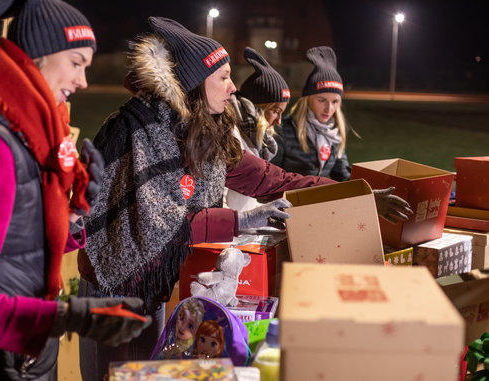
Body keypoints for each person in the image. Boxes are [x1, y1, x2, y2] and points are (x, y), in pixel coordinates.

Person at [79, 17, 411, 381]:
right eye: (222, 77)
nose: (233, 87)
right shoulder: (137, 132)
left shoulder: (205, 135)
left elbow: (272, 179)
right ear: (191, 84)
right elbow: (158, 225)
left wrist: (355, 196)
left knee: (143, 374)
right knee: (112, 376)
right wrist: (240, 221)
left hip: (153, 283)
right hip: (112, 283)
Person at [0, 0, 151, 379]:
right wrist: (71, 316)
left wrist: (69, 214)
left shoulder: (23, 132)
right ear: (37, 57)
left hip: (11, 358)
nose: (83, 82)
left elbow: (12, 249)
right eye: (76, 62)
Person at [271, 46, 353, 182]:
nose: (329, 108)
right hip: (290, 201)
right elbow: (272, 177)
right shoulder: (283, 130)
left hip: (321, 201)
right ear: (307, 100)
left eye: (335, 102)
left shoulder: (335, 133)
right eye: (321, 100)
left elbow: (342, 175)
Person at [225, 47, 291, 211]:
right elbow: (219, 201)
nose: (278, 121)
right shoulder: (230, 135)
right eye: (275, 111)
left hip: (242, 232)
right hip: (229, 234)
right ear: (257, 108)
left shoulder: (253, 137)